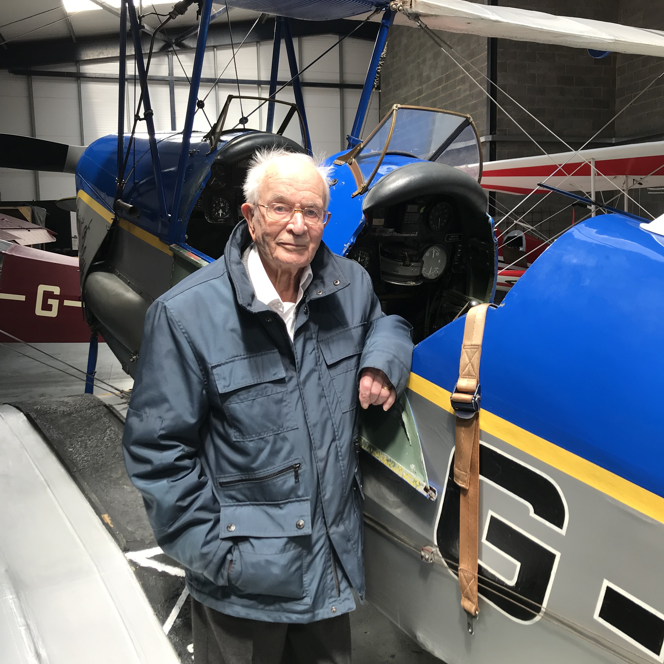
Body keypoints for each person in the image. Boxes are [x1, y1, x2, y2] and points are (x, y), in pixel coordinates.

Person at [123, 148, 414, 664]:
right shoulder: (185, 315)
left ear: (326, 220)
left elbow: (388, 322)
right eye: (280, 208)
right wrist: (220, 559)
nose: (297, 226)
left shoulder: (351, 285)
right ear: (251, 215)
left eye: (312, 212)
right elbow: (158, 454)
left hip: (329, 566)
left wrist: (383, 359)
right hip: (244, 581)